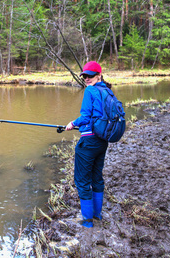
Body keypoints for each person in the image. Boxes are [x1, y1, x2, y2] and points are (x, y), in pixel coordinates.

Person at [65, 61, 112, 228]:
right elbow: (98, 116)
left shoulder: (90, 90)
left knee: (82, 181)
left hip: (89, 142)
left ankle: (87, 222)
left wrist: (72, 123)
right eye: (84, 75)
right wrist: (82, 124)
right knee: (96, 177)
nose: (86, 78)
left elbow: (85, 117)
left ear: (99, 75)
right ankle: (97, 215)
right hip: (102, 141)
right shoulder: (107, 90)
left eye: (90, 75)